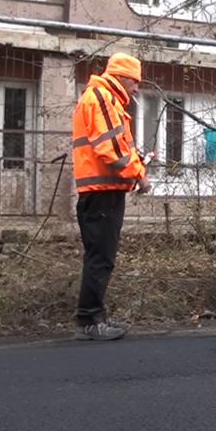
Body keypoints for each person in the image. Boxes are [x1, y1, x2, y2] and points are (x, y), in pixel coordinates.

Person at [71, 52, 151, 340]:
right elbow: (111, 148)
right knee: (100, 257)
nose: (137, 87)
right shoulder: (102, 97)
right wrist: (140, 174)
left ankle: (94, 318)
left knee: (101, 256)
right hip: (101, 192)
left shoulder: (104, 98)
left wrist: (136, 164)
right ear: (121, 76)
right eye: (135, 81)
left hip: (102, 190)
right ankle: (90, 322)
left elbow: (113, 146)